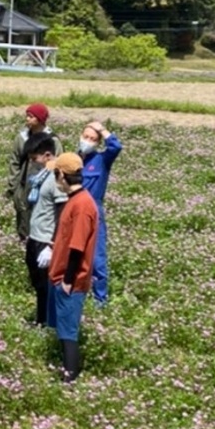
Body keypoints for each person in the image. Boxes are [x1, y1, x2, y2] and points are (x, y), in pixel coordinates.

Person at [46, 152, 99, 383]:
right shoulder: (77, 200)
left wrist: (67, 280)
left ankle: (70, 377)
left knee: (69, 332)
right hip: (63, 276)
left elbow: (77, 248)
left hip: (71, 280)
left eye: (55, 174)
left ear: (61, 175)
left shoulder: (82, 205)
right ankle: (66, 371)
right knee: (64, 328)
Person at [77, 121, 123, 305]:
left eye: (92, 139)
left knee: (97, 259)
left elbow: (116, 146)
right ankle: (75, 295)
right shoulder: (72, 159)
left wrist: (103, 130)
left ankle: (100, 300)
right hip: (73, 212)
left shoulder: (102, 160)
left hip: (94, 212)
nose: (87, 141)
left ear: (97, 143)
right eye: (85, 137)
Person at [23, 136, 67, 326]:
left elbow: (62, 214)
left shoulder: (56, 179)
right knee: (39, 285)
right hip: (35, 236)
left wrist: (52, 244)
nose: (33, 163)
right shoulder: (42, 177)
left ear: (47, 155)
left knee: (47, 286)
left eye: (35, 159)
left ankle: (49, 323)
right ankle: (41, 320)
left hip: (46, 239)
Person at [5, 103, 61, 242]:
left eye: (31, 116)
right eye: (27, 115)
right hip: (24, 184)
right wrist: (14, 186)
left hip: (44, 184)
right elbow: (15, 162)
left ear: (40, 119)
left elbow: (58, 162)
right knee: (23, 216)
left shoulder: (52, 140)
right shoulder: (21, 137)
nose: (27, 119)